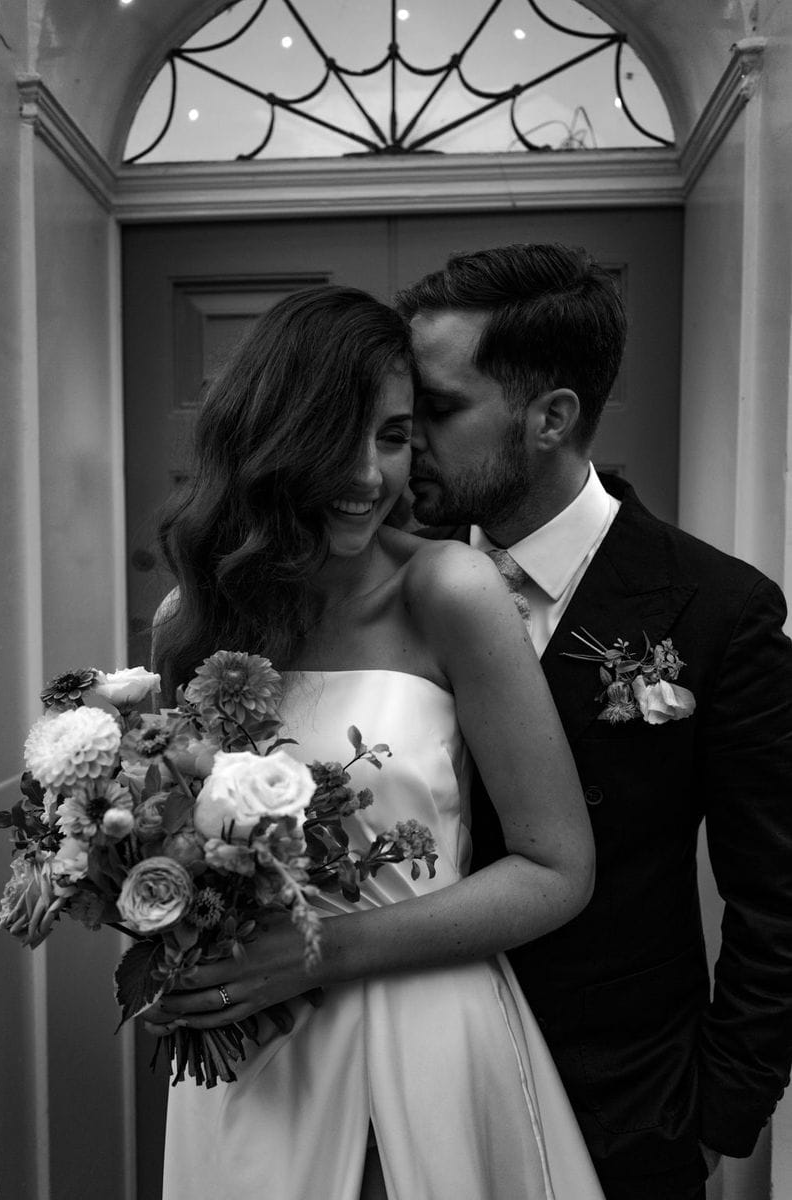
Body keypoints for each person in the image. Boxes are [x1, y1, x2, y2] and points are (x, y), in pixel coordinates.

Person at [146, 284, 601, 1200]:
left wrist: (315, 953)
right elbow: (173, 855)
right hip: (256, 1065)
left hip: (422, 1029)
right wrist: (174, 957)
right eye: (337, 437)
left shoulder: (450, 590)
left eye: (393, 437)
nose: (368, 474)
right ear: (271, 441)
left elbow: (557, 869)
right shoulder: (188, 622)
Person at [392, 242, 792, 1200]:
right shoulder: (381, 584)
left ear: (551, 418)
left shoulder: (716, 610)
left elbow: (778, 896)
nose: (405, 440)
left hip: (623, 1107)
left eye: (440, 410)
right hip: (407, 1086)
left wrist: (716, 1119)